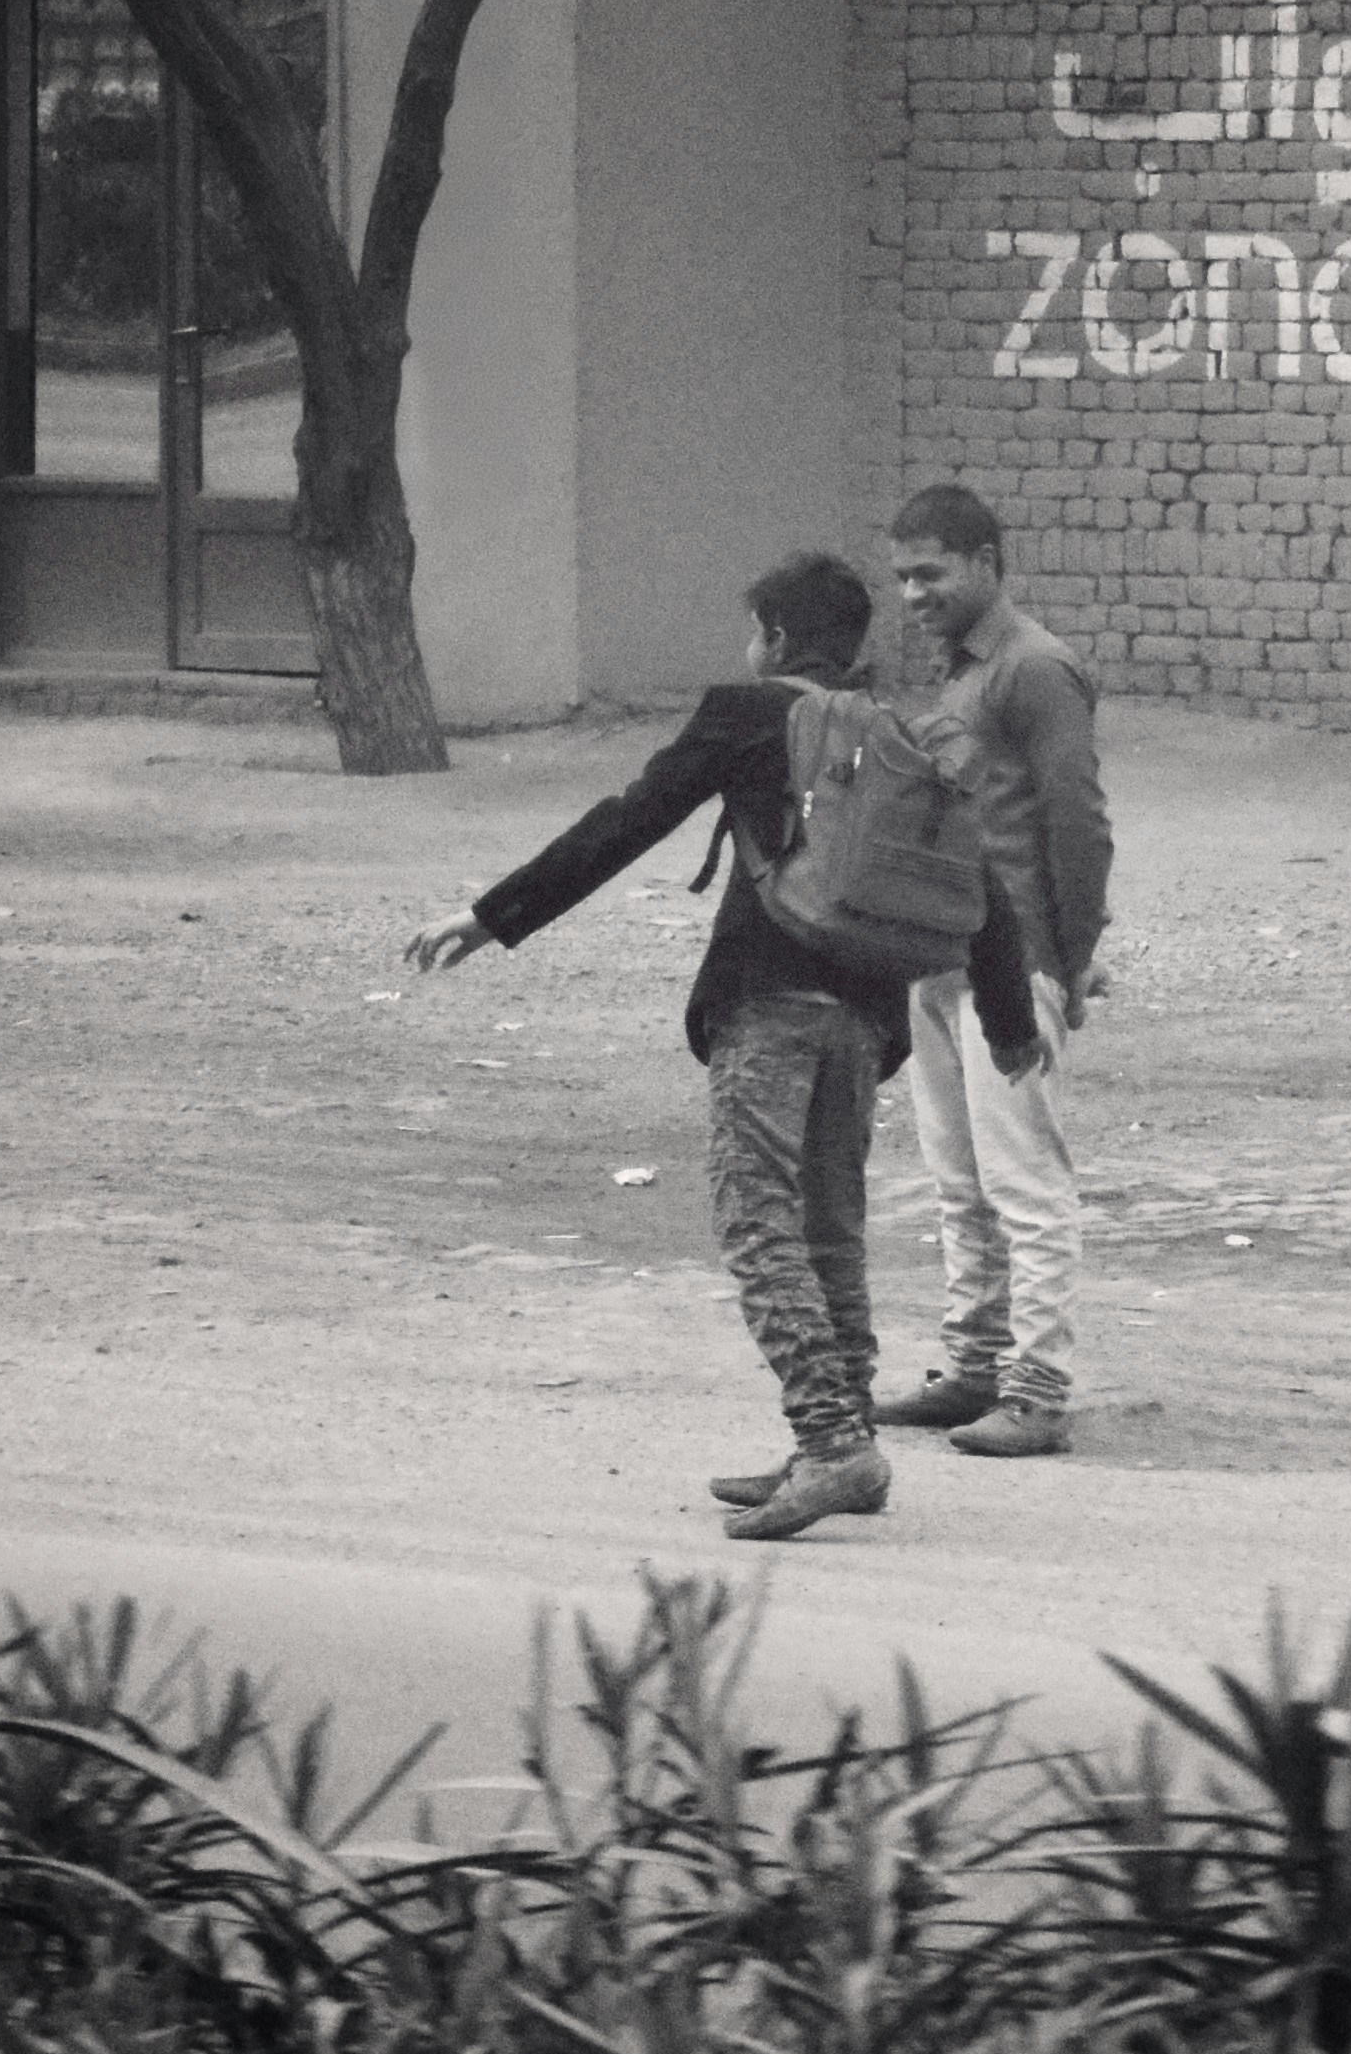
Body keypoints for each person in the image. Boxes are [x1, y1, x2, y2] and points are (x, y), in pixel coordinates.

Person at [406, 546, 1042, 1543]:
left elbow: (627, 821)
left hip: (769, 1000)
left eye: (756, 630)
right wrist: (1006, 1026)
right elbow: (984, 884)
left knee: (757, 1223)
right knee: (832, 1229)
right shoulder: (906, 731)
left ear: (778, 638)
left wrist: (494, 917)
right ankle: (839, 1445)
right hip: (869, 1020)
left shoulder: (748, 714)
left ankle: (833, 1441)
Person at [873, 481, 1107, 1457]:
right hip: (944, 957)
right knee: (958, 1181)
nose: (912, 594)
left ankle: (1038, 1389)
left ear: (985, 561)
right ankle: (976, 1368)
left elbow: (1077, 823)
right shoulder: (967, 674)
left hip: (1012, 966)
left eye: (930, 572)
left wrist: (1068, 960)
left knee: (1022, 1182)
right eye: (901, 578)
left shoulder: (1033, 669)